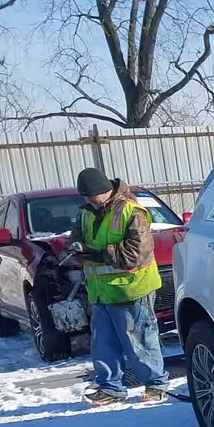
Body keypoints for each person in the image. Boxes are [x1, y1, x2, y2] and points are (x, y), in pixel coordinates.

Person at [66, 167, 169, 404]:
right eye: (84, 197)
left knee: (139, 340)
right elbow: (75, 238)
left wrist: (98, 254)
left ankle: (156, 385)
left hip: (132, 289)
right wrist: (75, 248)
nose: (88, 201)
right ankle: (110, 387)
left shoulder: (133, 212)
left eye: (91, 196)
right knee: (103, 343)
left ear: (105, 191)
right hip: (101, 292)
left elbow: (135, 255)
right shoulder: (86, 213)